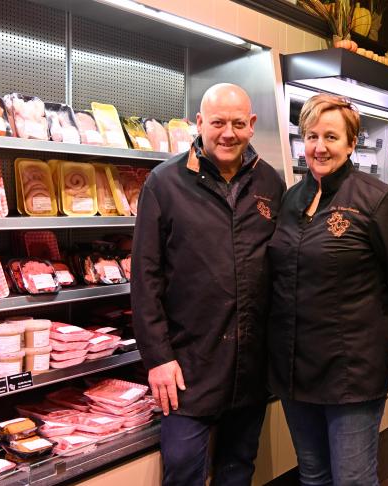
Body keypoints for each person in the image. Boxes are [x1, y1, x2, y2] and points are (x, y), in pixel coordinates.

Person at [267, 93, 388, 486]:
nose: (319, 147)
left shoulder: (378, 200)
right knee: (313, 476)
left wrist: (380, 337)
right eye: (311, 136)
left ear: (351, 143)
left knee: (353, 480)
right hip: (295, 368)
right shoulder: (291, 198)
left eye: (331, 137)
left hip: (352, 374)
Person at [131, 83, 284, 486]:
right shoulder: (164, 184)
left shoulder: (271, 184)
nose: (228, 133)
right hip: (186, 367)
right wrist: (158, 358)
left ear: (252, 125)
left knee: (239, 469)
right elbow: (144, 278)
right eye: (217, 123)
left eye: (237, 123)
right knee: (183, 470)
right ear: (199, 123)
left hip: (250, 366)